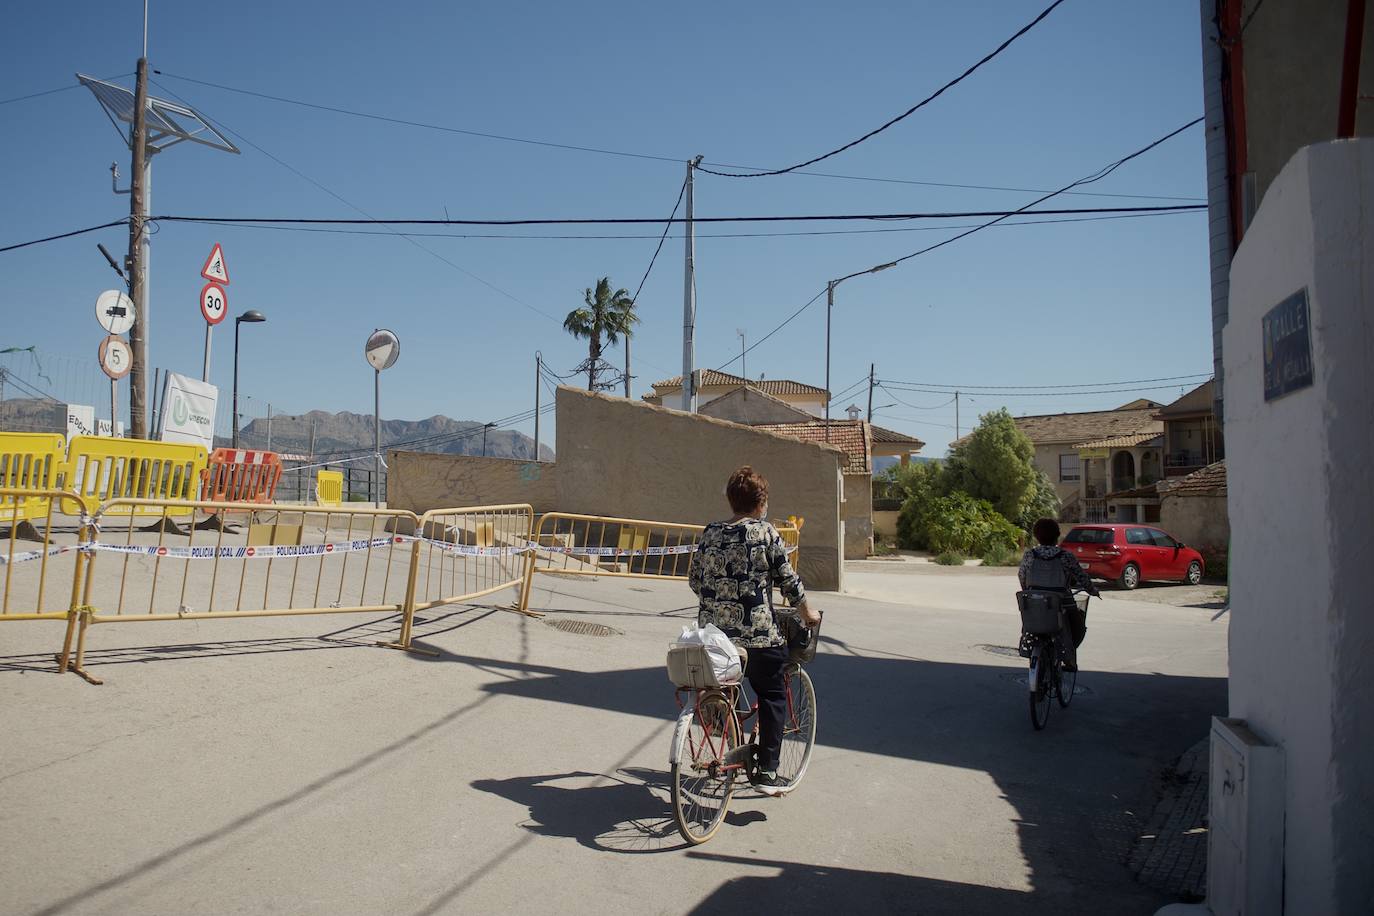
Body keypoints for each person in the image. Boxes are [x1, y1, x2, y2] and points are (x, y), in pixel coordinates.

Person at [688, 466, 820, 796]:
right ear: (761, 503)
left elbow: (694, 580)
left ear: (732, 501)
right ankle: (768, 771)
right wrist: (808, 612)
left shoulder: (710, 532)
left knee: (726, 683)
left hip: (714, 637)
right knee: (773, 692)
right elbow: (788, 581)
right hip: (758, 638)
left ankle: (723, 724)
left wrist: (719, 601)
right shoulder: (765, 533)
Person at [1018, 517, 1099, 671]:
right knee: (1078, 627)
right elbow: (1081, 577)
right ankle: (1069, 660)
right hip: (1062, 603)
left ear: (1037, 536)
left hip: (1036, 602)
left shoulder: (1030, 555)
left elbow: (1022, 575)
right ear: (1057, 536)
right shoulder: (1065, 556)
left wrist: (1029, 590)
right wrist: (1092, 590)